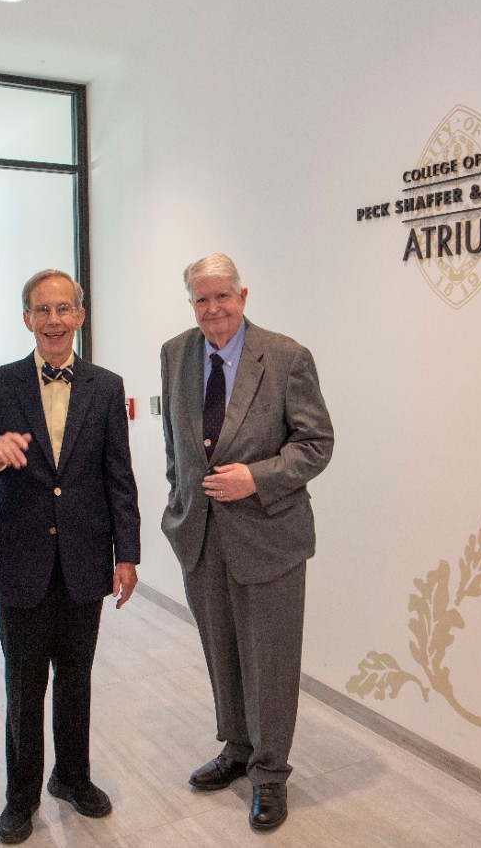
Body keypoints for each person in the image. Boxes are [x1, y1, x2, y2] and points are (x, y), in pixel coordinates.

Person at [0, 269, 140, 844]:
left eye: (64, 309)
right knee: (24, 686)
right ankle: (20, 797)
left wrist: (125, 555)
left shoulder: (106, 386)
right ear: (26, 318)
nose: (53, 320)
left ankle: (73, 778)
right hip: (22, 562)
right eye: (41, 310)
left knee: (76, 679)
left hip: (85, 562)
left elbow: (119, 479)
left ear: (80, 316)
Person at [159, 253, 334, 832]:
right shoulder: (176, 353)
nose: (213, 310)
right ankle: (236, 747)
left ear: (243, 295)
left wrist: (255, 477)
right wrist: (181, 499)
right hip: (201, 535)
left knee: (272, 661)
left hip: (268, 535)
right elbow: (175, 443)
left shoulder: (286, 357)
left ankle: (270, 773)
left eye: (222, 298)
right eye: (201, 300)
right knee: (222, 651)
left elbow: (316, 444)